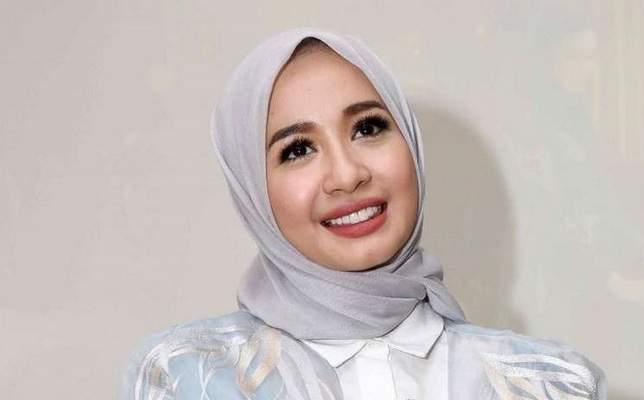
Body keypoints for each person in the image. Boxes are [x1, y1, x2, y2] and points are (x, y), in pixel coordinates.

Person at [120, 29, 606, 400]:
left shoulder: (551, 384)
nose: (347, 175)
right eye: (297, 150)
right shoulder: (189, 376)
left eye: (368, 127)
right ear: (252, 189)